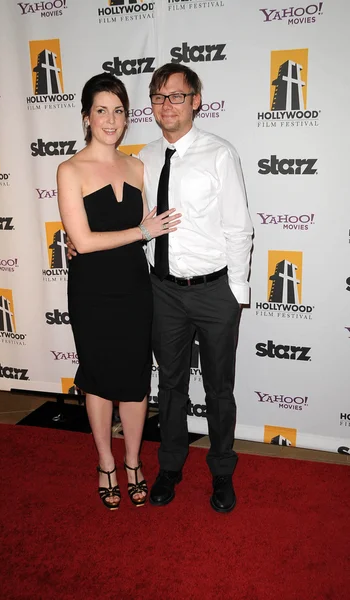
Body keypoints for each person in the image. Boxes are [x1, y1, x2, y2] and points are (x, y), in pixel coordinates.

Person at [68, 64, 253, 513]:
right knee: (169, 387)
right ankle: (169, 466)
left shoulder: (219, 154)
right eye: (158, 97)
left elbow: (239, 228)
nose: (166, 105)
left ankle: (222, 472)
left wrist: (236, 292)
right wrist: (74, 246)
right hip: (160, 291)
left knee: (218, 390)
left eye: (176, 96)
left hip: (214, 292)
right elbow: (118, 218)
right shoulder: (142, 159)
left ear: (196, 101)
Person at [57, 73, 180, 510]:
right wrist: (140, 230)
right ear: (87, 117)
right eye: (102, 110)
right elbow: (84, 241)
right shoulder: (69, 170)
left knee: (133, 379)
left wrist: (148, 232)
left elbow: (159, 223)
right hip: (92, 291)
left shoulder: (138, 166)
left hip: (134, 287)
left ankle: (133, 462)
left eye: (119, 110)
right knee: (97, 378)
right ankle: (105, 462)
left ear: (128, 117)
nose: (111, 120)